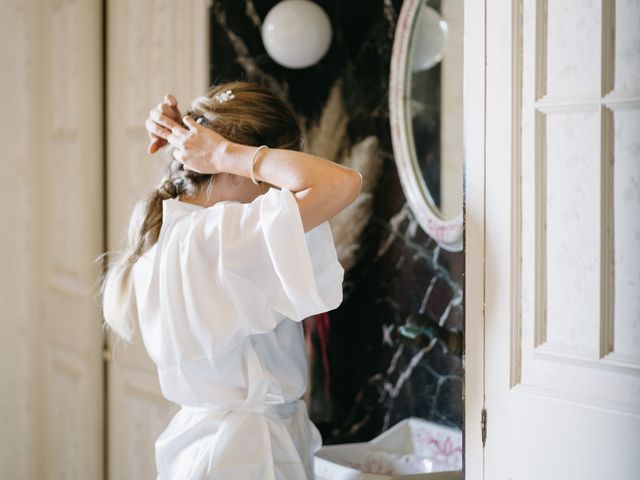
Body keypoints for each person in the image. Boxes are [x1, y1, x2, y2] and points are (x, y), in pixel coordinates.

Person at [100, 80, 362, 480]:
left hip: (208, 449)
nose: (278, 187)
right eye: (272, 168)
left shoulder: (172, 238)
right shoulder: (221, 239)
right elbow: (342, 183)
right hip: (248, 455)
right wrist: (228, 153)